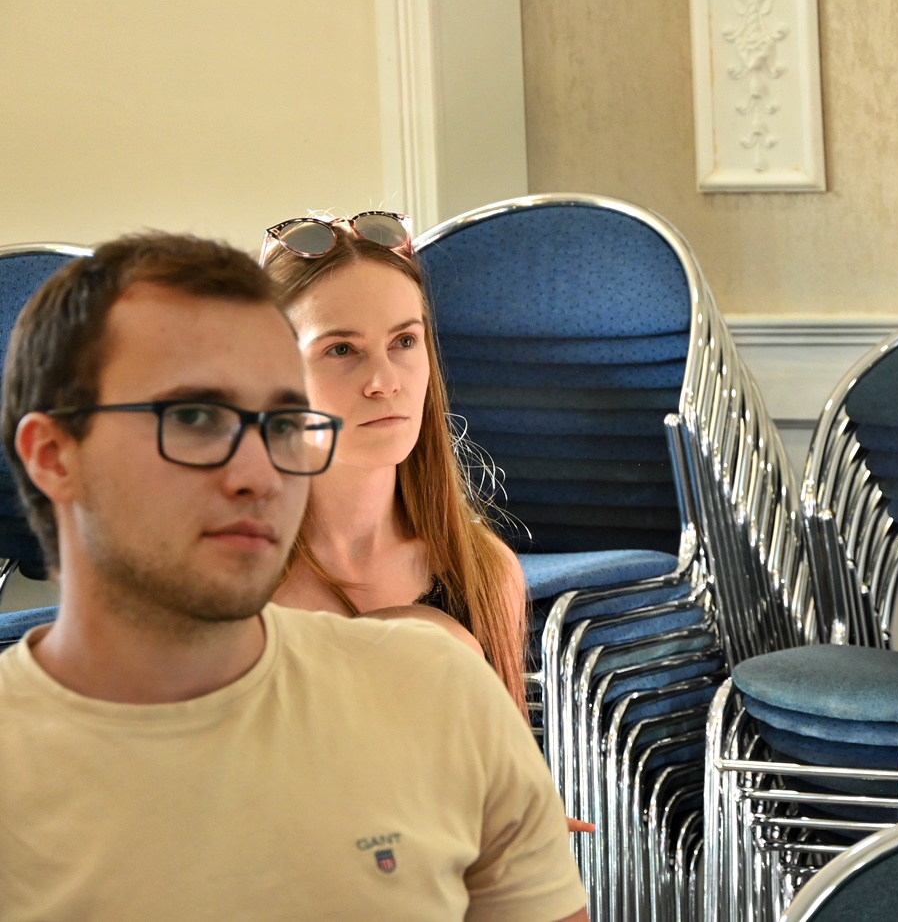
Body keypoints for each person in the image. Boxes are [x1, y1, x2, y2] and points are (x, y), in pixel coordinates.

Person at [0, 233, 588, 921]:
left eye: (279, 420)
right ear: (54, 456)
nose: (254, 469)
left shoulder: (440, 670)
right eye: (193, 418)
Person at [258, 213, 527, 702]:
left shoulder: (484, 573)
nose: (384, 382)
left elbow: (500, 753)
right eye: (342, 349)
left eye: (404, 341)